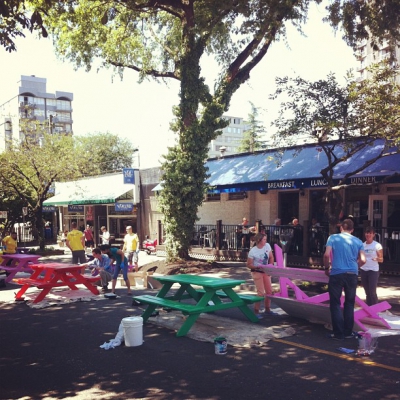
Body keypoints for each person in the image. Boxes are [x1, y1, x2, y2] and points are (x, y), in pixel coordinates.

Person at [323, 219, 366, 340]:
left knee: (335, 303)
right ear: (352, 230)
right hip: (352, 273)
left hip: (337, 273)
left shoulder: (333, 238)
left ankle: (338, 333)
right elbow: (363, 259)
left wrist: (327, 268)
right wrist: (355, 267)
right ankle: (348, 332)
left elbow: (326, 255)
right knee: (349, 303)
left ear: (341, 227)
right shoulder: (358, 241)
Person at [246, 232, 276, 318]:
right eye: (264, 239)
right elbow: (249, 264)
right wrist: (257, 267)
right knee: (260, 292)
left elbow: (271, 257)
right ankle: (256, 311)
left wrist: (270, 266)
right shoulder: (253, 251)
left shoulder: (267, 246)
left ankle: (267, 309)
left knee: (269, 291)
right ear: (259, 240)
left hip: (266, 271)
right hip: (257, 272)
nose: (266, 241)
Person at [360, 226, 383, 306]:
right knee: (367, 292)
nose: (368, 235)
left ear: (373, 234)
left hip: (373, 270)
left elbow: (381, 259)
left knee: (372, 291)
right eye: (367, 233)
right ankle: (368, 309)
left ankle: (375, 309)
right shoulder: (362, 245)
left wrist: (377, 258)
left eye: (370, 233)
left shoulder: (377, 245)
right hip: (363, 270)